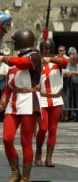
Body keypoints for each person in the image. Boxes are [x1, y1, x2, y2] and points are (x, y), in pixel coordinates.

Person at [0, 29, 42, 182]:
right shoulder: (13, 62)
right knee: (7, 138)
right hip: (14, 101)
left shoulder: (35, 56)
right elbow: (8, 87)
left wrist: (3, 58)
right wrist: (2, 104)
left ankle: (25, 177)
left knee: (25, 141)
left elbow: (25, 64)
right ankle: (15, 172)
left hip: (29, 99)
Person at [34, 38, 68, 168]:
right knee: (42, 128)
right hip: (42, 98)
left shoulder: (57, 62)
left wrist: (50, 59)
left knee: (53, 129)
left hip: (55, 99)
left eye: (49, 49)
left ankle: (49, 158)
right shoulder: (38, 62)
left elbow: (66, 61)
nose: (47, 51)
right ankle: (38, 153)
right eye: (45, 49)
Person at [58, 45, 70, 122]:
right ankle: (62, 116)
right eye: (59, 50)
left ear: (65, 51)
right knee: (60, 99)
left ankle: (66, 116)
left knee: (66, 99)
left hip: (66, 81)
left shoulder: (68, 59)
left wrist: (62, 72)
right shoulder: (56, 58)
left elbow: (68, 70)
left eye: (62, 50)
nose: (61, 52)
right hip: (58, 81)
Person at [66, 47, 78, 121]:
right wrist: (68, 72)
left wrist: (72, 73)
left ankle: (76, 115)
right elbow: (67, 70)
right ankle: (71, 115)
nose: (71, 61)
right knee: (70, 99)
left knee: (76, 100)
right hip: (72, 83)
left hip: (76, 83)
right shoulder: (69, 62)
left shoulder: (77, 62)